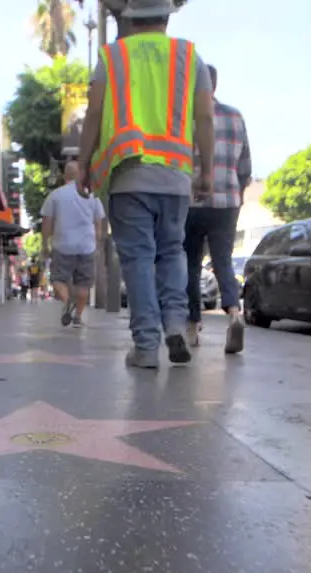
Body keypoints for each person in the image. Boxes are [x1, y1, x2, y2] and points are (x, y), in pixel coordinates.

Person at [76, 0, 215, 369]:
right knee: (171, 251)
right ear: (167, 16)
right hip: (174, 173)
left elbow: (93, 112)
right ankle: (175, 323)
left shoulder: (112, 58)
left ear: (130, 19)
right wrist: (208, 170)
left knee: (137, 258)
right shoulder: (190, 57)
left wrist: (84, 164)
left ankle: (146, 346)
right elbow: (204, 116)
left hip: (127, 172)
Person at [185, 64, 252, 354]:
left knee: (189, 263)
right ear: (215, 84)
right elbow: (246, 165)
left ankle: (192, 326)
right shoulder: (235, 115)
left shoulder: (185, 118)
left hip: (192, 201)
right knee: (222, 260)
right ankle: (235, 314)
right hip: (227, 201)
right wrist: (238, 191)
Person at [42, 161, 106, 328]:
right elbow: (98, 223)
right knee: (83, 284)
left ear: (65, 176)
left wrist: (45, 244)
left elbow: (47, 222)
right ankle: (78, 317)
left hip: (63, 245)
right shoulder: (92, 195)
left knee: (57, 279)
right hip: (86, 246)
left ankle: (66, 301)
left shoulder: (55, 195)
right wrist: (97, 243)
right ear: (80, 175)